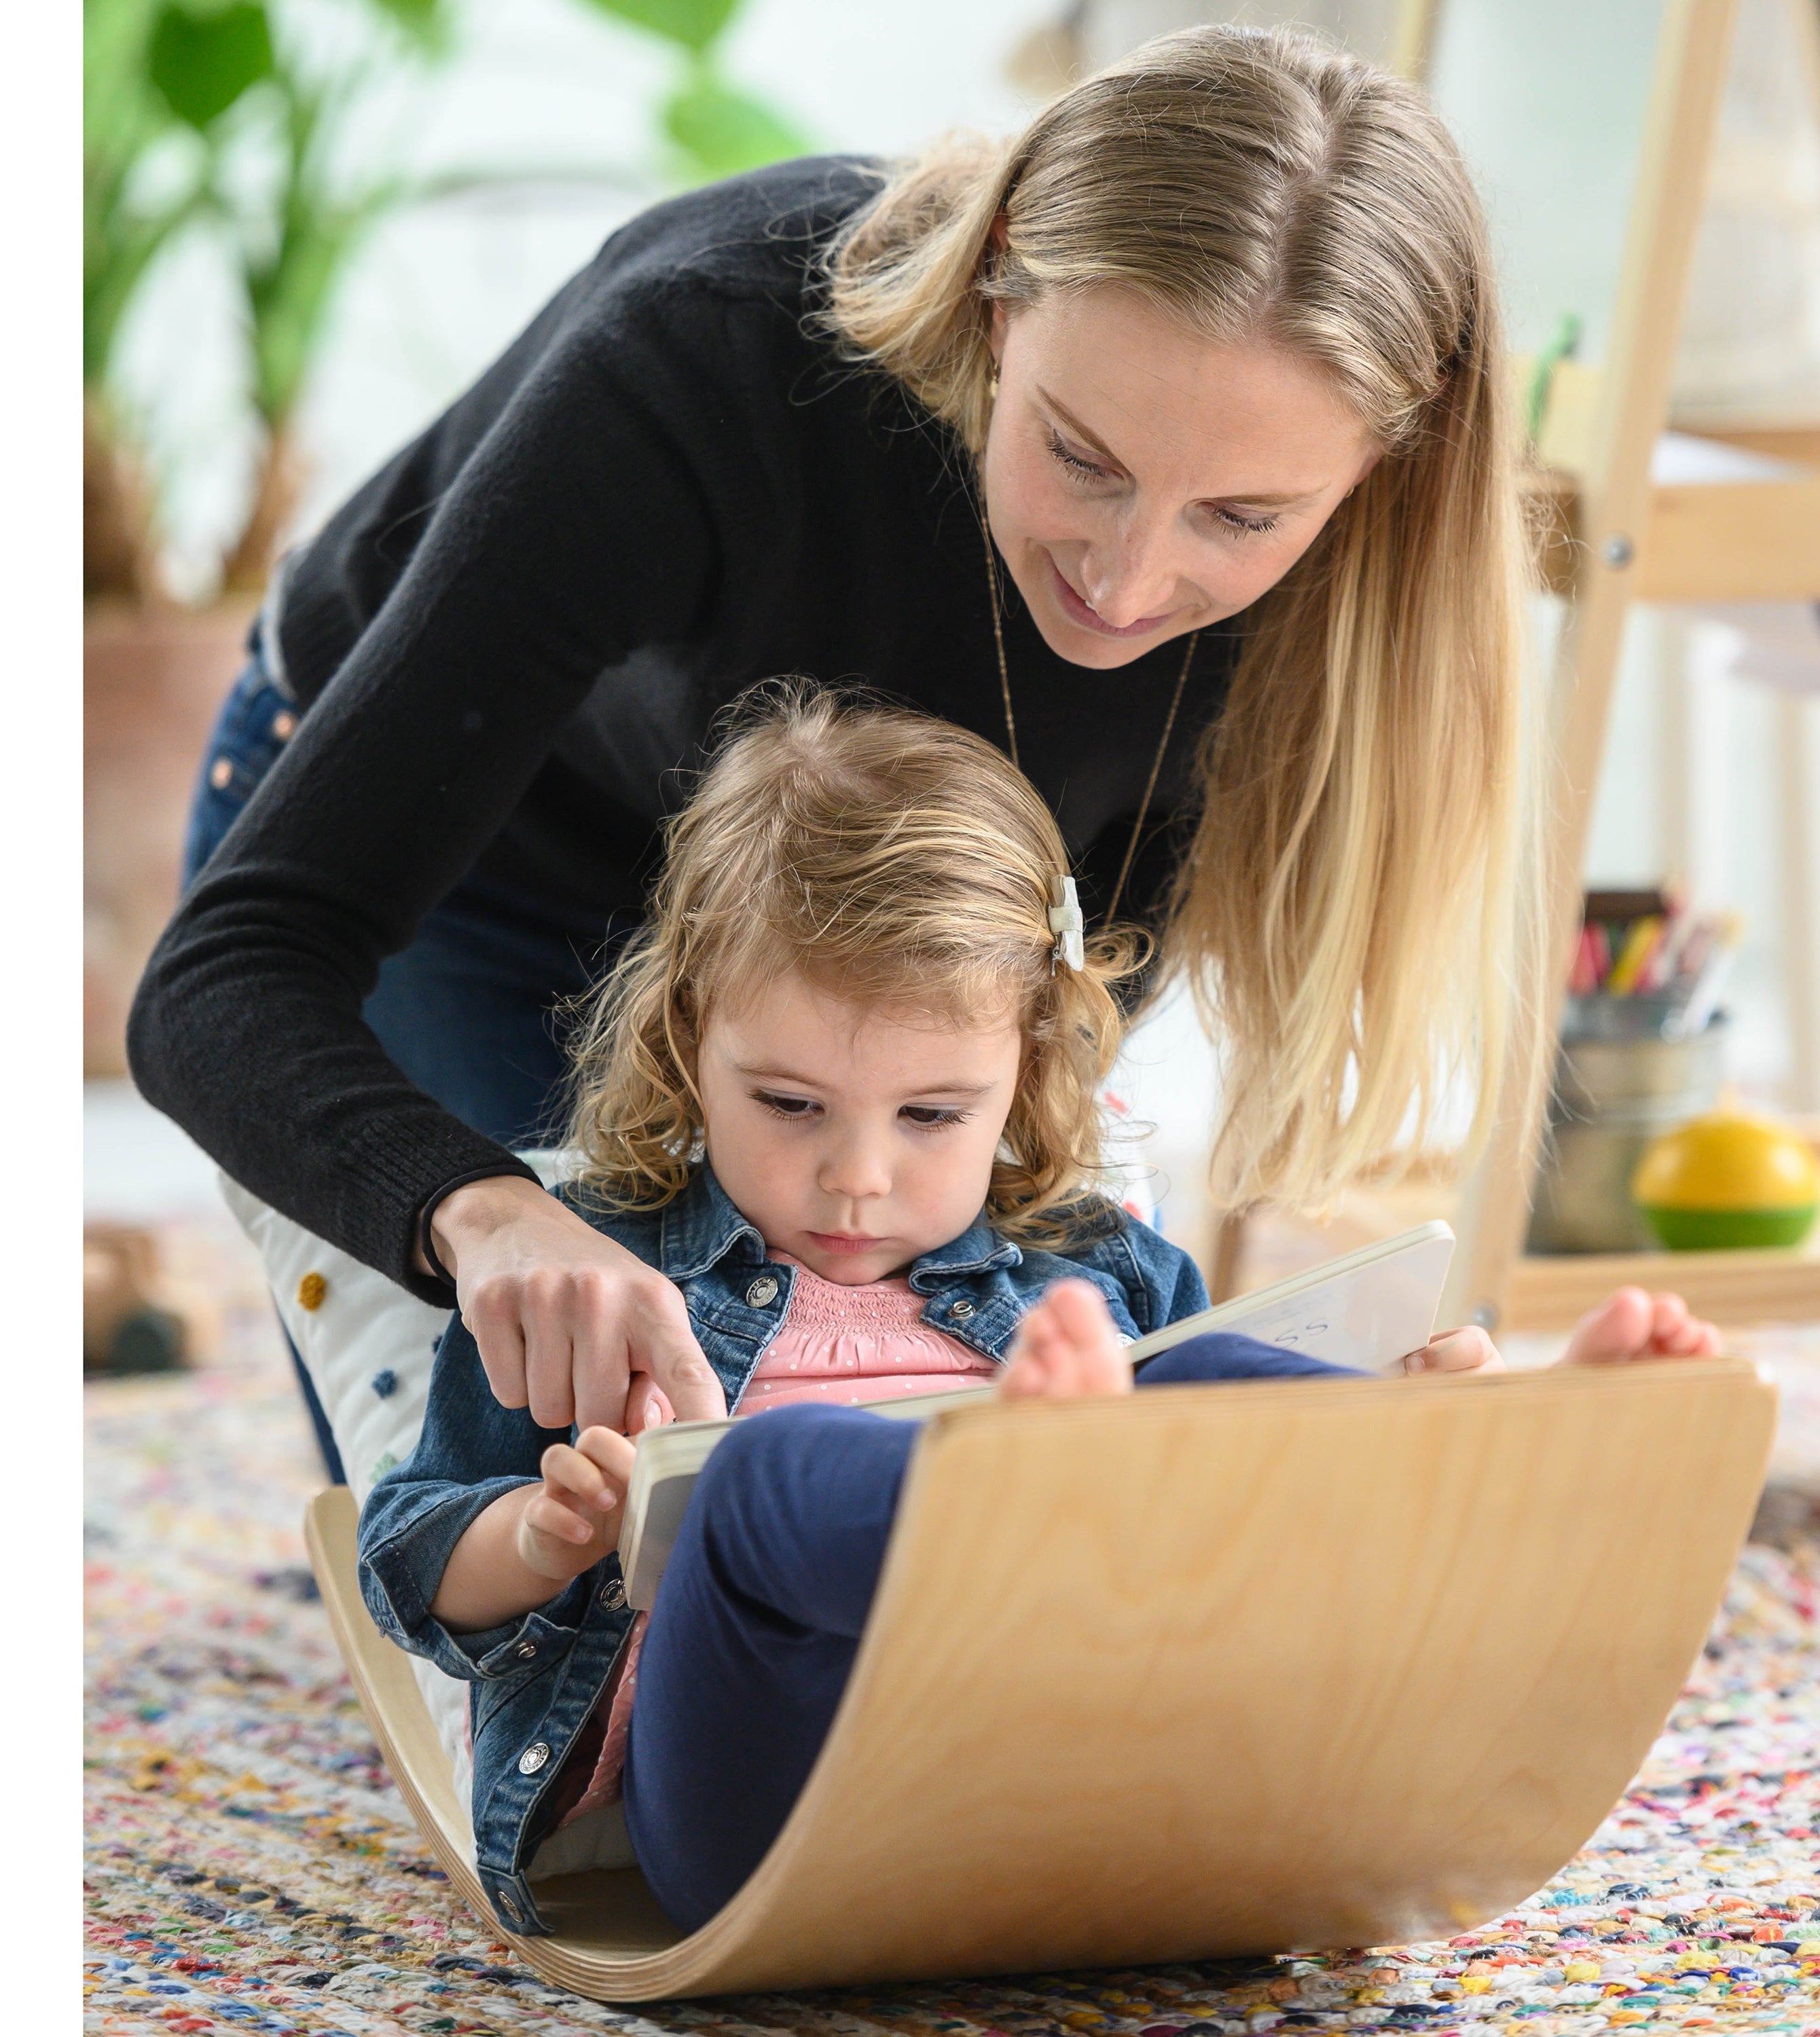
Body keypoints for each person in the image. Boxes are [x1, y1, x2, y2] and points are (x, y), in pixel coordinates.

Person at [132, 24, 1543, 1474]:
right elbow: (220, 983)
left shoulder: (1353, 582)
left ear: (1386, 459)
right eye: (1080, 457)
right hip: (476, 870)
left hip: (869, 984)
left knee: (1005, 1434)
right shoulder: (701, 352)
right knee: (562, 1484)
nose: (1124, 589)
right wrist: (486, 1216)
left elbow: (1037, 1102)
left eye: (1239, 519)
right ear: (1001, 289)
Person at [355, 690, 1720, 1938]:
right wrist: (539, 1535)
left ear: (1027, 1070)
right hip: (759, 1821)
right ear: (687, 1031)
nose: (859, 1173)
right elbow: (406, 1564)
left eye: (934, 1115)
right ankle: (1005, 1489)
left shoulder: (1089, 1274)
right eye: (790, 1105)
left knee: (1214, 1374)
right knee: (757, 1485)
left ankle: (1455, 1454)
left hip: (1077, 1767)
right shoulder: (596, 1272)